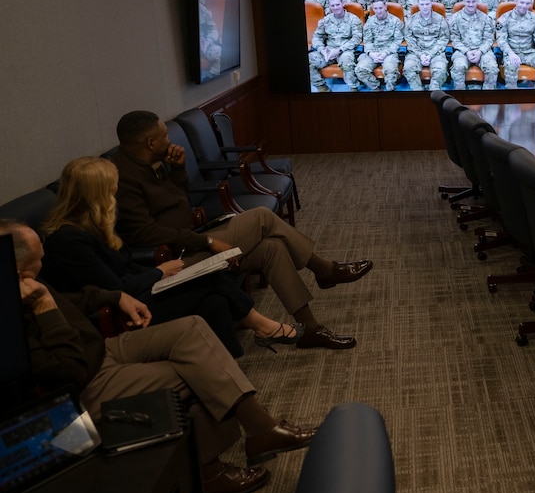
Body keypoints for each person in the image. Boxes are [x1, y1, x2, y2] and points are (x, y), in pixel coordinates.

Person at [4, 219, 317, 493]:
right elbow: (69, 369)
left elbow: (70, 300)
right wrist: (45, 308)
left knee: (191, 328)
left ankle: (261, 431)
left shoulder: (28, 284)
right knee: (196, 373)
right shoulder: (14, 323)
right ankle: (211, 472)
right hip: (87, 382)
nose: (44, 263)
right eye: (38, 261)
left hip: (104, 348)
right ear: (16, 272)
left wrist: (115, 297)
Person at [110, 111, 370, 350]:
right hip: (176, 261)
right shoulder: (125, 178)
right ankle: (324, 269)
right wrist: (209, 240)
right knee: (261, 217)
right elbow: (145, 234)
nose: (170, 140)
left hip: (193, 240)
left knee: (273, 248)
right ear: (150, 144)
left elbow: (177, 204)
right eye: (164, 135)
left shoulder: (154, 163)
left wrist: (178, 170)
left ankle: (311, 328)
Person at [40, 157, 300, 357]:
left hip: (137, 293)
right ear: (95, 194)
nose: (116, 194)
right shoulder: (68, 240)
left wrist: (162, 274)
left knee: (214, 299)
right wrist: (160, 272)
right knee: (208, 283)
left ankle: (233, 367)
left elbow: (127, 267)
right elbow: (114, 289)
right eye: (111, 189)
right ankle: (260, 326)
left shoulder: (93, 225)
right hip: (118, 314)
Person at [308, 0, 363, 91]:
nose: (335, 7)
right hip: (328, 51)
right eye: (332, 5)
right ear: (329, 6)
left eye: (337, 4)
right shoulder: (326, 20)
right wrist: (322, 49)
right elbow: (317, 37)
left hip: (345, 50)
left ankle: (353, 88)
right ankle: (322, 88)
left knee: (347, 61)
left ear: (343, 4)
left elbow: (357, 38)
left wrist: (339, 50)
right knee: (309, 60)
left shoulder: (353, 19)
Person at [449, 0, 498, 90]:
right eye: (468, 2)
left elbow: (489, 39)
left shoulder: (485, 18)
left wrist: (480, 51)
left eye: (473, 1)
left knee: (492, 68)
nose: (471, 5)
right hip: (462, 51)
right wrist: (466, 51)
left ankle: (487, 100)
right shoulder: (455, 18)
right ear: (464, 1)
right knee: (458, 67)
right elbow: (454, 38)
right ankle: (460, 99)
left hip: (482, 51)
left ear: (477, 1)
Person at [402, 0, 449, 92]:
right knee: (408, 68)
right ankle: (418, 92)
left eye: (427, 4)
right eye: (422, 4)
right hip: (416, 52)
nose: (425, 7)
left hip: (436, 52)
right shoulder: (412, 19)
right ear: (418, 5)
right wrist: (421, 55)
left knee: (441, 70)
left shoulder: (440, 19)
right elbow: (409, 38)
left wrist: (430, 54)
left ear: (431, 4)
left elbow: (444, 38)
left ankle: (434, 92)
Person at [497, 0, 535, 86]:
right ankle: (513, 98)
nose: (524, 6)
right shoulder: (504, 18)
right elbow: (501, 40)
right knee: (510, 67)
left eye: (527, 3)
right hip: (512, 52)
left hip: (529, 52)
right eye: (522, 2)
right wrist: (510, 53)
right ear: (516, 1)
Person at [356, 0, 404, 91]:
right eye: (376, 8)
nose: (378, 11)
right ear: (373, 9)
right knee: (360, 70)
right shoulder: (369, 22)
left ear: (385, 7)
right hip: (373, 51)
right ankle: (376, 88)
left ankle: (390, 90)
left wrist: (386, 53)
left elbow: (398, 40)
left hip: (389, 52)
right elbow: (367, 40)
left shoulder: (395, 21)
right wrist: (371, 53)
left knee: (391, 71)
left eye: (381, 8)